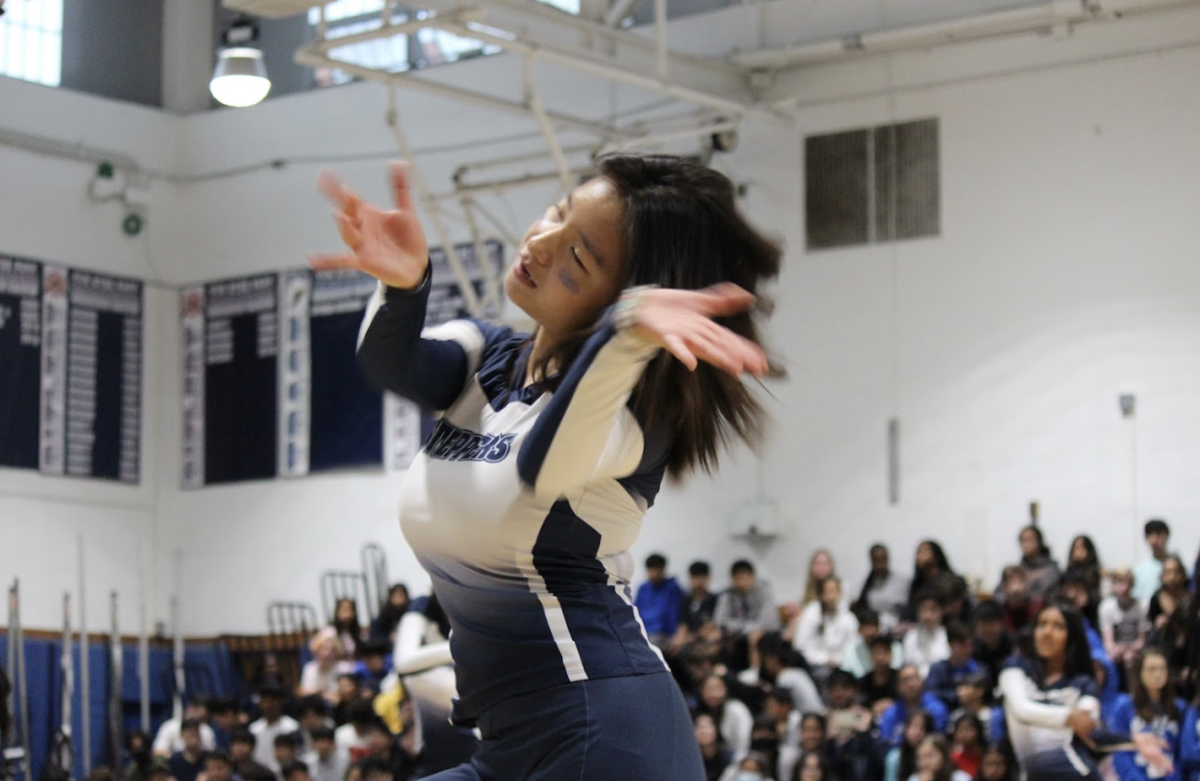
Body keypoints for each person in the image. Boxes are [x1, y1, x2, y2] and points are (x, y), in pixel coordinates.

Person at [313, 154, 778, 780]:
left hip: (607, 736)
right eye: (556, 214)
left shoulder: (629, 418)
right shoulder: (486, 359)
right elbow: (391, 365)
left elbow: (546, 464)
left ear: (623, 305)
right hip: (510, 746)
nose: (541, 243)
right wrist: (403, 285)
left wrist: (625, 338)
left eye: (578, 258)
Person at [999, 601, 1172, 780]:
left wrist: (1131, 740)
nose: (1047, 632)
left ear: (1072, 638)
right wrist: (1070, 716)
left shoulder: (1083, 684)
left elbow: (1090, 732)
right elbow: (1022, 709)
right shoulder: (1014, 669)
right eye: (1042, 624)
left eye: (1058, 626)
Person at [1107, 647, 1185, 781]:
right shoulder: (1124, 707)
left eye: (1162, 668)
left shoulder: (1180, 707)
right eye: (1152, 669)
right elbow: (1119, 752)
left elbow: (1181, 753)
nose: (1158, 674)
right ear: (1140, 673)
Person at [714, 560, 781, 672]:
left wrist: (750, 629)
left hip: (764, 632)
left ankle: (755, 674)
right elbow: (720, 620)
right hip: (738, 633)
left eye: (745, 578)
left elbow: (769, 621)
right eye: (738, 579)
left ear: (753, 577)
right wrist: (743, 628)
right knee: (717, 637)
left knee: (754, 636)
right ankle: (727, 675)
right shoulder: (728, 594)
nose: (742, 583)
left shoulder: (764, 591)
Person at [788, 577, 858, 682]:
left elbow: (852, 646)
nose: (830, 596)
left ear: (840, 593)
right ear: (821, 594)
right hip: (815, 664)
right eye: (826, 591)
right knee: (824, 675)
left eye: (833, 591)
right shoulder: (811, 612)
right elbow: (800, 646)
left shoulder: (849, 618)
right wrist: (824, 659)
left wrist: (839, 660)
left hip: (842, 664)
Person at [1099, 569, 1149, 676]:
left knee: (1130, 659)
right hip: (1116, 650)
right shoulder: (1106, 607)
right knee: (1106, 661)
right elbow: (1108, 642)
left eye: (1128, 583)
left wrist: (1129, 649)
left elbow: (1141, 640)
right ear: (1113, 584)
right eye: (1120, 582)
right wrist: (1117, 650)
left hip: (1135, 650)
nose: (1124, 587)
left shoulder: (1142, 605)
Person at [854, 544, 910, 635]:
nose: (880, 564)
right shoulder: (867, 583)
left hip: (898, 630)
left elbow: (907, 610)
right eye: (876, 561)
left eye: (883, 559)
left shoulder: (902, 581)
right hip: (874, 631)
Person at [633, 553, 685, 649]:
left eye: (658, 570)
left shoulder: (672, 588)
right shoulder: (642, 589)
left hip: (664, 635)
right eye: (651, 570)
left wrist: (677, 636)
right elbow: (635, 613)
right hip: (644, 633)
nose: (654, 574)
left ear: (663, 570)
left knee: (648, 644)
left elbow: (681, 616)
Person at [902, 591, 950, 679]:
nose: (927, 616)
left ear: (941, 611)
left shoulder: (949, 635)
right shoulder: (910, 636)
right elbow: (908, 666)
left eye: (933, 610)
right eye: (924, 610)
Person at [1006, 526, 1061, 602]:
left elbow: (1043, 591)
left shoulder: (1051, 568)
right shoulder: (1018, 569)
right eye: (1023, 541)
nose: (1025, 544)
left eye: (1029, 540)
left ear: (1039, 542)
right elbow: (1000, 593)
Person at [1133, 520, 1172, 604]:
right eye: (1150, 535)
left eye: (1159, 534)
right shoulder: (1139, 569)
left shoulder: (1177, 567)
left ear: (1167, 536)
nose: (1155, 540)